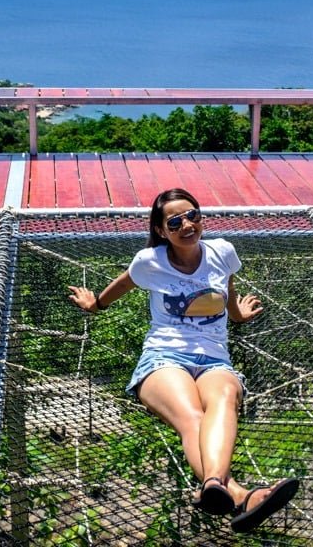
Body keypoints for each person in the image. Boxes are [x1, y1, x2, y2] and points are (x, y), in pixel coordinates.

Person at [68, 187, 299, 534]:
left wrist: (238, 315)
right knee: (193, 418)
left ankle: (221, 490)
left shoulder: (223, 252)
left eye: (193, 215)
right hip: (164, 355)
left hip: (214, 357)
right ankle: (235, 492)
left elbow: (227, 293)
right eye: (175, 221)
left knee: (225, 398)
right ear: (161, 230)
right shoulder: (150, 261)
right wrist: (96, 304)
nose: (187, 224)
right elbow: (122, 285)